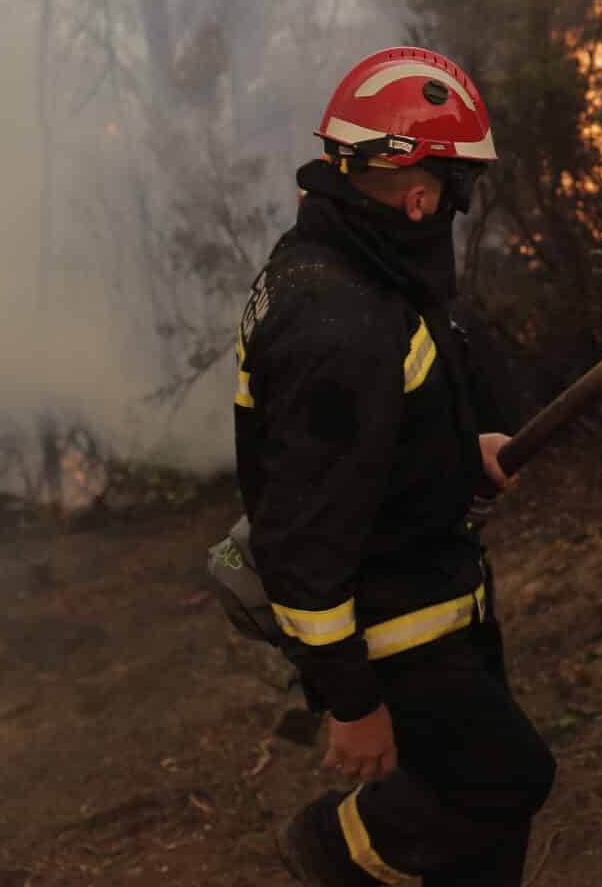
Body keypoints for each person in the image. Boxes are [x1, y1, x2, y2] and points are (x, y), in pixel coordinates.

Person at [236, 46, 554, 886]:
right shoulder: (339, 322)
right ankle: (330, 848)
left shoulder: (364, 270)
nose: (455, 209)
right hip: (395, 641)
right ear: (419, 195)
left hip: (444, 605)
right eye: (455, 192)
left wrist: (461, 454)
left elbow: (379, 439)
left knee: (484, 835)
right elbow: (301, 543)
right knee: (512, 777)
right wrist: (353, 702)